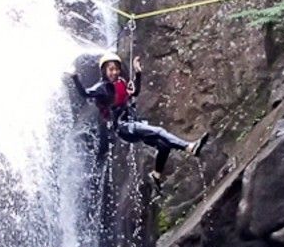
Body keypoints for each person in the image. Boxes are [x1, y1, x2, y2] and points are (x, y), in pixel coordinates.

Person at [71, 52, 209, 191]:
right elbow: (85, 93)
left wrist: (138, 73)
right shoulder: (101, 88)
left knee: (163, 145)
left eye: (116, 69)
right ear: (104, 71)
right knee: (160, 131)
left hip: (133, 123)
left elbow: (135, 92)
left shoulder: (121, 82)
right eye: (111, 69)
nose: (115, 72)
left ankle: (156, 174)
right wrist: (74, 76)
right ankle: (189, 147)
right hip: (123, 127)